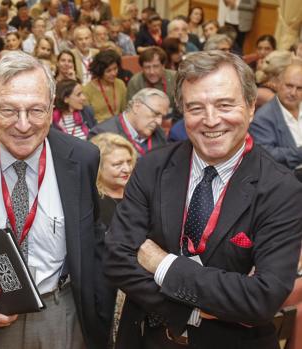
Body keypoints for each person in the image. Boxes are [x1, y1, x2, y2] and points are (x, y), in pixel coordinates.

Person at [105, 50, 302, 348]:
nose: (211, 120)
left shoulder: (281, 189)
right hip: (149, 339)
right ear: (182, 112)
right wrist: (192, 310)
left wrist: (162, 264)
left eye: (224, 105)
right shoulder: (152, 166)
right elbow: (118, 258)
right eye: (196, 108)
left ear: (250, 107)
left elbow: (261, 298)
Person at [0, 50, 112, 349]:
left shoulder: (82, 158)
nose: (24, 124)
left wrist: (99, 311)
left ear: (51, 107)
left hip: (62, 312)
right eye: (9, 110)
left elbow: (96, 237)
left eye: (36, 110)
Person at [89, 132, 137, 347]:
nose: (126, 169)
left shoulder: (138, 197)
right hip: (103, 293)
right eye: (117, 164)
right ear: (98, 167)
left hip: (137, 291)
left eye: (129, 161)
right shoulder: (91, 203)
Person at [250, 62, 302, 174]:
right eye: (289, 86)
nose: (293, 93)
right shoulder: (262, 118)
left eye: (299, 88)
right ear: (278, 84)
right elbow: (267, 156)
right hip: (288, 180)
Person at [91, 88, 169, 157]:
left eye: (162, 116)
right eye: (155, 114)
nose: (159, 122)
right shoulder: (102, 134)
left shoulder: (159, 134)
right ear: (136, 107)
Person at [83, 50, 127, 123]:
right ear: (100, 71)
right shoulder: (87, 90)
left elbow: (124, 110)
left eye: (115, 69)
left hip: (119, 125)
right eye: (108, 71)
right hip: (99, 128)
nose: (113, 73)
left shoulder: (120, 84)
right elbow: (88, 118)